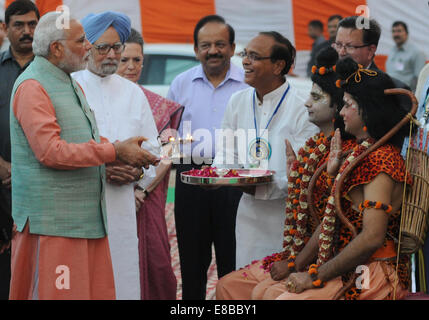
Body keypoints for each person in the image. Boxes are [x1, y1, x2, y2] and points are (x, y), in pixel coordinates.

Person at [231, 58, 413, 300]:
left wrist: (315, 276)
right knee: (263, 292)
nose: (342, 111)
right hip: (349, 264)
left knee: (277, 298)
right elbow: (335, 214)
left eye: (348, 104)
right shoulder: (361, 153)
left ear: (368, 112)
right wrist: (331, 175)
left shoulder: (381, 161)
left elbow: (372, 237)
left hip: (372, 271)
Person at [9, 12, 159, 300]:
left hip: (85, 219)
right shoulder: (34, 86)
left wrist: (127, 157)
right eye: (82, 41)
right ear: (56, 49)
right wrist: (114, 152)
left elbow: (86, 140)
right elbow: (50, 151)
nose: (88, 47)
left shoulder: (65, 82)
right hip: (55, 222)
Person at [215, 46, 353, 299]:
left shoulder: (347, 153)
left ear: (338, 107)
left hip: (334, 259)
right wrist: (295, 177)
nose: (307, 103)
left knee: (266, 295)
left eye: (317, 97)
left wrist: (295, 264)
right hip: (291, 245)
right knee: (225, 286)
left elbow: (330, 220)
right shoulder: (316, 146)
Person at [72, 12, 160, 300]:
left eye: (117, 48)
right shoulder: (69, 87)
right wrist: (102, 169)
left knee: (121, 278)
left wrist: (136, 173)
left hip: (122, 207)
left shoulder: (134, 94)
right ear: (86, 46)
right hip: (78, 205)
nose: (112, 55)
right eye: (103, 48)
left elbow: (153, 150)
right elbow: (58, 149)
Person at [213, 31, 318, 269]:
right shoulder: (237, 101)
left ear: (278, 65)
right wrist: (222, 174)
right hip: (248, 213)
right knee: (246, 281)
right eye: (245, 54)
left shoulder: (302, 106)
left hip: (289, 217)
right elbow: (227, 153)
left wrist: (262, 184)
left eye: (254, 56)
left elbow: (304, 172)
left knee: (280, 285)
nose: (245, 61)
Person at [166, 14, 247, 300]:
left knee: (234, 260)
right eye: (206, 45)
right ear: (196, 49)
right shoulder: (181, 84)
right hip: (191, 178)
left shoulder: (247, 85)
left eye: (220, 44)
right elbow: (168, 132)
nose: (213, 50)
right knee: (192, 260)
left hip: (236, 179)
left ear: (233, 48)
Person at [116, 28, 182, 300]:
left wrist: (141, 190)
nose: (131, 67)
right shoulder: (94, 99)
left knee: (157, 264)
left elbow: (170, 154)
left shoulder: (162, 106)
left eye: (137, 60)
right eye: (124, 60)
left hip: (149, 198)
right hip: (111, 193)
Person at [0, 0, 39, 300]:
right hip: (2, 186)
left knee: (41, 269)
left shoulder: (54, 72)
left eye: (32, 24)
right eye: (18, 25)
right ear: (5, 28)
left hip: (44, 185)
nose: (27, 31)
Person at [386, 21, 426, 92]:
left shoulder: (417, 52)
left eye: (399, 31)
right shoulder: (392, 50)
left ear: (406, 33)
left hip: (406, 94)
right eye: (393, 31)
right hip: (390, 91)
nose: (396, 34)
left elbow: (420, 79)